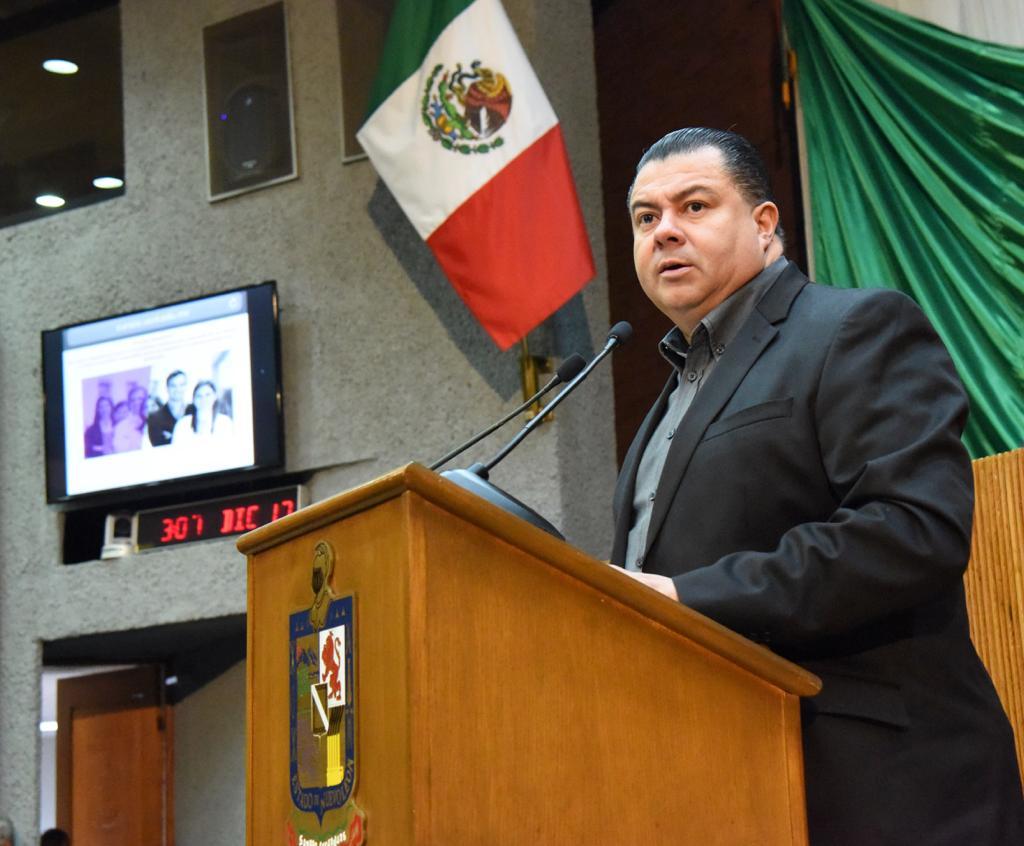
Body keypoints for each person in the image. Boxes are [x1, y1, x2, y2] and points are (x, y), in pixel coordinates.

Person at [612, 127, 1024, 844]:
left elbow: (913, 530)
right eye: (646, 218)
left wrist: (690, 599)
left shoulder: (853, 327)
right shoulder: (667, 402)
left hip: (882, 787)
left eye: (695, 206)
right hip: (721, 782)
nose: (665, 232)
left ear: (765, 225)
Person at [148, 369, 190, 446]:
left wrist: (171, 437)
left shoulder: (194, 410)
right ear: (167, 388)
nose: (178, 389)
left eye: (182, 385)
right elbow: (159, 447)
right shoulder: (154, 418)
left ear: (186, 386)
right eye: (173, 386)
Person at [112, 385, 147, 452]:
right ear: (129, 402)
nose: (137, 403)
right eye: (133, 400)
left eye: (140, 399)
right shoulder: (121, 427)